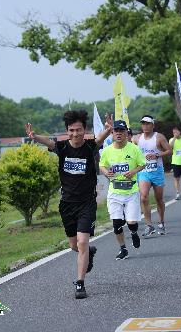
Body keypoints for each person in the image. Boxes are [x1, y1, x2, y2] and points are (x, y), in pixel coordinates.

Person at [25, 110, 112, 299]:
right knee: (74, 245)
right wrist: (34, 136)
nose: (75, 133)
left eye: (78, 130)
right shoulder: (63, 148)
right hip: (66, 204)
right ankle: (88, 252)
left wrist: (108, 129)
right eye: (71, 130)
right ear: (67, 131)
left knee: (82, 242)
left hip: (87, 203)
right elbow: (49, 143)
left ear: (84, 130)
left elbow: (99, 139)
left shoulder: (90, 147)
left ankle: (80, 284)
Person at [99, 120, 146, 260]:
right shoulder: (107, 150)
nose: (118, 133)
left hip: (131, 191)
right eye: (116, 131)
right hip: (115, 192)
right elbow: (102, 165)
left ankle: (133, 233)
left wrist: (133, 172)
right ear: (112, 133)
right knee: (117, 223)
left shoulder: (134, 149)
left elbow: (142, 164)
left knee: (131, 223)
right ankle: (123, 248)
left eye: (121, 131)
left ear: (126, 133)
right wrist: (106, 172)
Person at [132, 115, 172, 237]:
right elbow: (131, 151)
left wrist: (157, 155)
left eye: (148, 123)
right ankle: (149, 225)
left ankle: (161, 222)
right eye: (143, 124)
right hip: (144, 171)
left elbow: (169, 150)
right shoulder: (136, 138)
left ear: (152, 125)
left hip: (157, 171)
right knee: (143, 197)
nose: (145, 126)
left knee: (159, 199)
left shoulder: (159, 137)